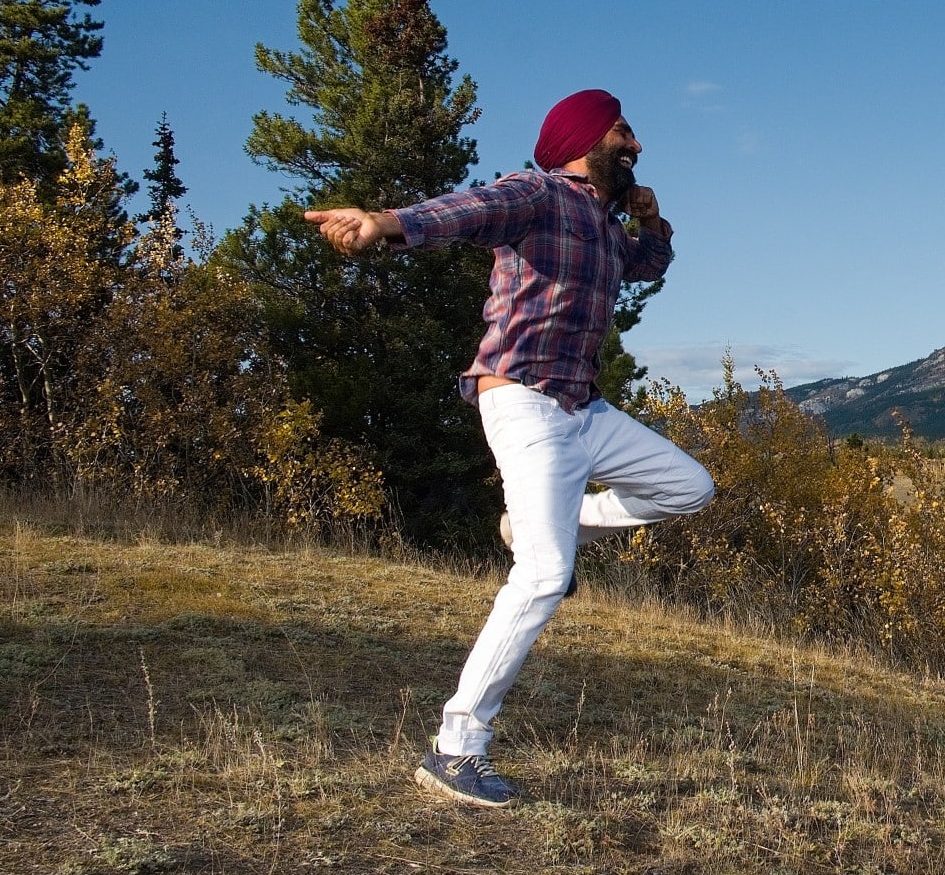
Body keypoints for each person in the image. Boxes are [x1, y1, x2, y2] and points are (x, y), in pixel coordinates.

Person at [305, 88, 714, 808]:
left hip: (585, 409)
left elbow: (648, 266)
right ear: (584, 144)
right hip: (523, 398)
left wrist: (652, 221)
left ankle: (548, 519)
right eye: (623, 132)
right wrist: (384, 225)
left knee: (689, 488)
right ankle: (455, 746)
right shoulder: (537, 194)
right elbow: (465, 212)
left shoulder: (603, 223)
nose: (637, 145)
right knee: (543, 578)